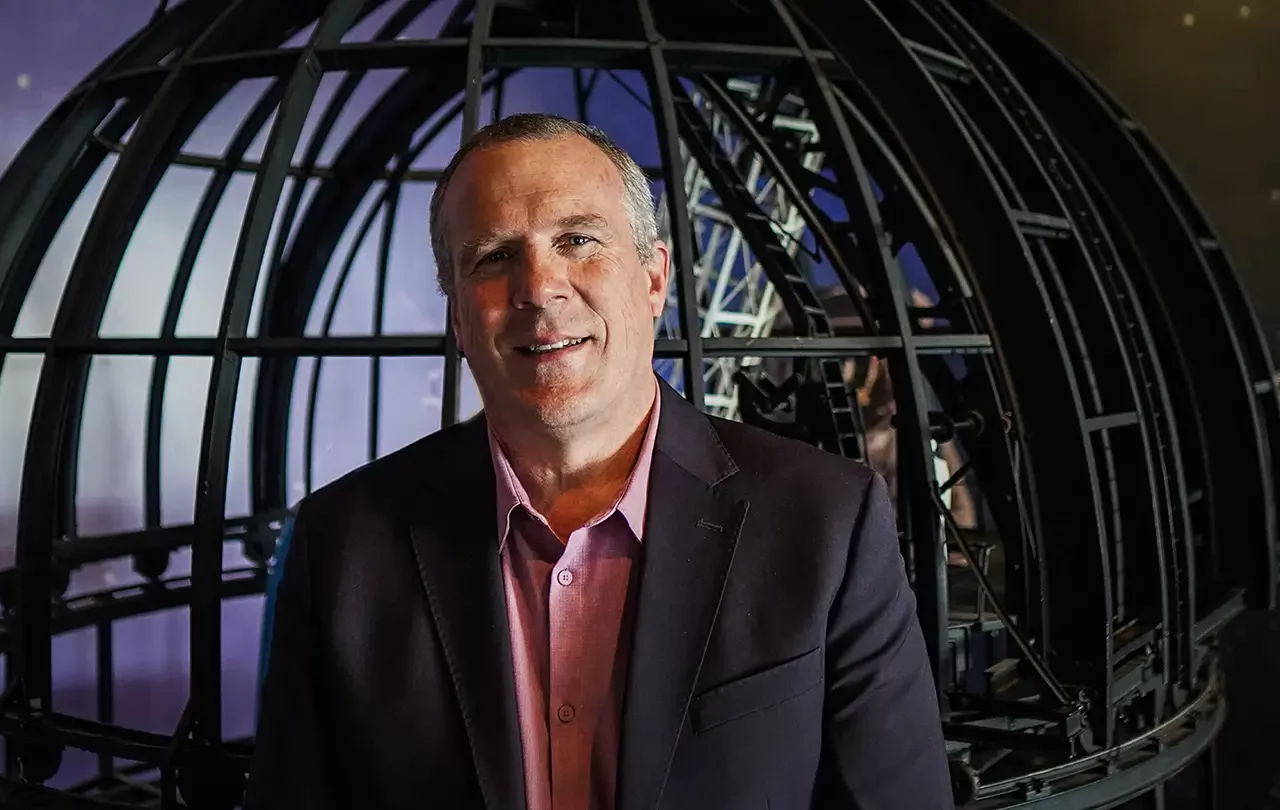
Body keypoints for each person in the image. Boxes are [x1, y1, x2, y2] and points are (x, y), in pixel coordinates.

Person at [244, 113, 952, 810]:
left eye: (578, 239)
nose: (539, 288)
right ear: (458, 318)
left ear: (653, 279)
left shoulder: (826, 522)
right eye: (494, 256)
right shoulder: (341, 545)